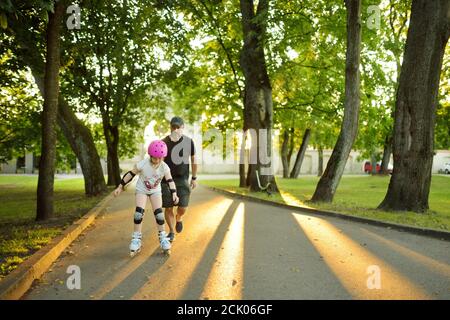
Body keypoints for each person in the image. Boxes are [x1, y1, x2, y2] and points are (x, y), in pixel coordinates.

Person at [114, 140, 179, 256]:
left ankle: (163, 238)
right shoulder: (143, 164)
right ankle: (136, 239)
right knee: (139, 213)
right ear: (150, 155)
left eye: (160, 158)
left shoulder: (164, 166)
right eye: (155, 158)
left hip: (155, 191)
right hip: (142, 190)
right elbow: (130, 174)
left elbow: (170, 180)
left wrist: (174, 193)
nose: (158, 160)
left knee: (159, 214)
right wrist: (120, 186)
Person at [161, 116, 197, 242]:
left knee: (183, 207)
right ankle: (171, 231)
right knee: (168, 207)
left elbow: (193, 160)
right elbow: (160, 162)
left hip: (182, 180)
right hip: (166, 181)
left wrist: (194, 178)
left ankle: (179, 217)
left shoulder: (188, 142)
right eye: (173, 127)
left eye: (178, 127)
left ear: (183, 128)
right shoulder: (164, 142)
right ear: (170, 127)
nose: (176, 129)